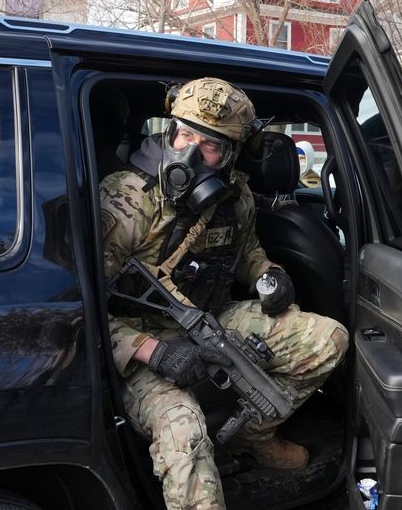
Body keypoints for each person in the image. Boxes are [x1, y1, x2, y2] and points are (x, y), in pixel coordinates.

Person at [100, 77, 348, 510]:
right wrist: (152, 352)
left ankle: (255, 433)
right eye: (184, 135)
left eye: (210, 145)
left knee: (326, 339)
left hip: (209, 316)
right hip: (135, 339)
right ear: (169, 130)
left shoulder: (236, 196)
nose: (191, 153)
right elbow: (74, 309)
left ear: (231, 154)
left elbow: (248, 249)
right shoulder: (126, 201)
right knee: (185, 429)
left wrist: (268, 276)